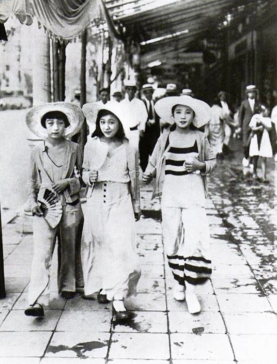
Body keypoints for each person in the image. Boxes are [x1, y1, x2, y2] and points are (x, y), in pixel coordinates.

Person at [143, 96, 216, 314]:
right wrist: (146, 176)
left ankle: (192, 290)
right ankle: (180, 282)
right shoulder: (165, 137)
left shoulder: (201, 137)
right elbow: (153, 162)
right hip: (170, 194)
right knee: (172, 239)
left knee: (194, 240)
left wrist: (200, 165)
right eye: (179, 112)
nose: (183, 116)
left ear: (194, 116)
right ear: (172, 115)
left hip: (193, 194)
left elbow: (212, 162)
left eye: (187, 112)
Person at [81, 102, 141, 320]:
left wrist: (136, 204)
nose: (107, 126)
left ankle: (118, 298)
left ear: (120, 124)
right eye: (103, 122)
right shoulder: (91, 144)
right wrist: (88, 177)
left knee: (122, 248)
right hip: (96, 200)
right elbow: (84, 171)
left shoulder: (129, 147)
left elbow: (135, 175)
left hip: (121, 199)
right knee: (100, 246)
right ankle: (105, 288)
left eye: (111, 122)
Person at [24, 102, 84, 317]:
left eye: (60, 123)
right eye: (50, 123)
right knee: (42, 253)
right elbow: (31, 181)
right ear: (44, 126)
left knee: (69, 246)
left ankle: (68, 285)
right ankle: (36, 300)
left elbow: (84, 178)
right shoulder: (36, 151)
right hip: (44, 206)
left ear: (67, 126)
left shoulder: (75, 148)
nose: (55, 127)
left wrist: (69, 182)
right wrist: (32, 202)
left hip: (69, 203)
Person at [121, 80, 148, 150]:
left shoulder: (140, 103)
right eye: (128, 89)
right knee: (124, 151)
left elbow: (144, 116)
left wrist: (142, 128)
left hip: (135, 131)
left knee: (134, 151)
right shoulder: (122, 103)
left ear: (135, 91)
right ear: (126, 90)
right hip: (124, 131)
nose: (130, 91)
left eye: (132, 89)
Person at [139, 84, 160, 171]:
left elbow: (158, 116)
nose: (149, 94)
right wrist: (144, 124)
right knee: (144, 151)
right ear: (144, 93)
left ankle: (154, 170)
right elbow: (139, 116)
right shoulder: (141, 103)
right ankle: (145, 170)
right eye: (146, 93)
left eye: (150, 92)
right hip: (145, 130)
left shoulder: (156, 103)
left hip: (154, 130)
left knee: (155, 150)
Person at [249, 105, 273, 182]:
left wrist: (262, 122)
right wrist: (259, 128)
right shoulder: (255, 117)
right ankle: (254, 173)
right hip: (256, 137)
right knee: (255, 156)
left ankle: (264, 176)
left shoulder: (267, 119)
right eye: (262, 111)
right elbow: (252, 127)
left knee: (264, 157)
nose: (264, 112)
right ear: (259, 111)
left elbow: (269, 128)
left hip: (264, 138)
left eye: (265, 111)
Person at [238, 85, 261, 167]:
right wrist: (239, 126)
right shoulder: (244, 103)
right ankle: (246, 156)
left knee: (254, 143)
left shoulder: (258, 103)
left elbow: (260, 114)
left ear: (255, 93)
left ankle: (251, 160)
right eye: (249, 92)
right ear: (247, 94)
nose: (251, 94)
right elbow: (240, 115)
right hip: (246, 125)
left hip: (255, 126)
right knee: (245, 143)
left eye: (253, 92)